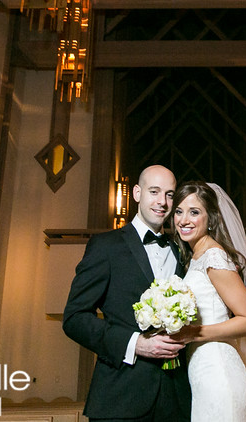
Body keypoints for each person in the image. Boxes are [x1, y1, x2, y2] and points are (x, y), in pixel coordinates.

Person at [63, 165, 191, 422]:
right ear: (136, 193)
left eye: (169, 194)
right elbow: (74, 318)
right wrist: (136, 344)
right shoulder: (105, 246)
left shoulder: (183, 251)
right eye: (154, 192)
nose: (162, 202)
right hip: (119, 398)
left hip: (176, 401)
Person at [171, 181, 246, 422]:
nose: (183, 220)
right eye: (179, 211)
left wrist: (193, 333)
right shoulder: (194, 256)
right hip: (203, 372)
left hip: (219, 373)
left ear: (211, 218)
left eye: (194, 212)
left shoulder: (214, 256)